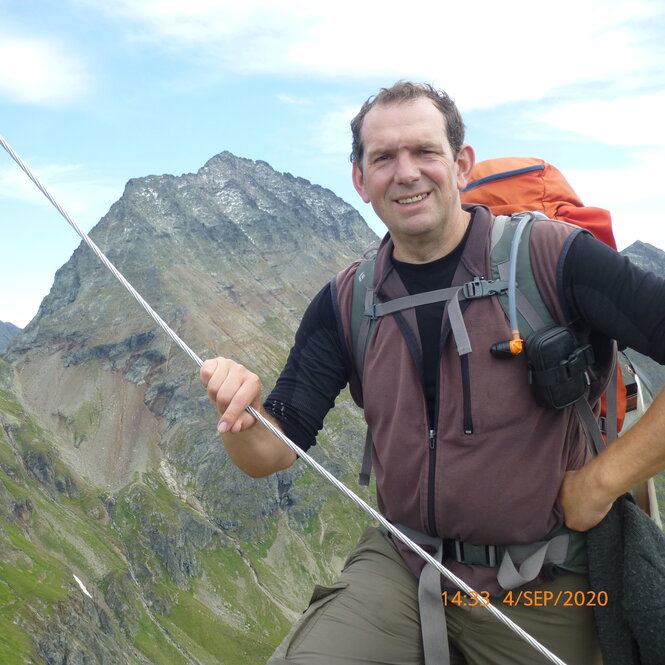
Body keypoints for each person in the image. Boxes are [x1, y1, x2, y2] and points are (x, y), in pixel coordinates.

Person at [200, 82, 665, 665]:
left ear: (460, 164)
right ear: (360, 179)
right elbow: (275, 450)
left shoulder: (551, 257)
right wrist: (241, 417)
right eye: (384, 158)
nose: (406, 173)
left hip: (545, 576)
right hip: (403, 565)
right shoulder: (346, 301)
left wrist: (600, 482)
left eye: (424, 152)